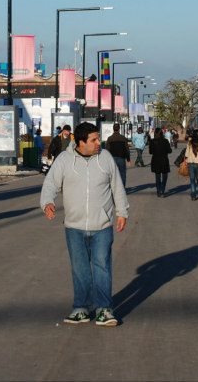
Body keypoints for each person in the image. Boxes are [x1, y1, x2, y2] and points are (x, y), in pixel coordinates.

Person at [41, 122, 129, 327]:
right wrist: (47, 203)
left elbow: (117, 186)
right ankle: (80, 308)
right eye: (94, 140)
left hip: (102, 225)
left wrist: (122, 211)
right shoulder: (64, 159)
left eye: (98, 138)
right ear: (81, 142)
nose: (99, 142)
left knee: (102, 267)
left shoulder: (105, 158)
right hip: (74, 226)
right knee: (79, 269)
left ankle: (104, 310)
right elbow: (50, 184)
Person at [148, 127, 172, 197]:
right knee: (164, 176)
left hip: (155, 160)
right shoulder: (165, 141)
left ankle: (158, 191)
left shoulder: (152, 141)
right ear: (162, 133)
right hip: (164, 160)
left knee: (157, 176)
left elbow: (150, 152)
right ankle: (162, 190)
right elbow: (170, 151)